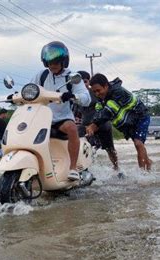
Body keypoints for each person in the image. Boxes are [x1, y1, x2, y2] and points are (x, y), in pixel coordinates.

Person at [32, 41, 90, 181]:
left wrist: (73, 96)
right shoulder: (42, 75)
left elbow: (86, 97)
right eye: (50, 62)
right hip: (42, 119)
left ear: (64, 61)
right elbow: (31, 89)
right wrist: (17, 95)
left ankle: (73, 168)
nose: (53, 65)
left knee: (72, 128)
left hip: (61, 119)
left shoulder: (72, 77)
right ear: (46, 62)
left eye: (57, 62)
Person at [86, 73, 152, 171]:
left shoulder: (118, 92)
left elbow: (108, 111)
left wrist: (93, 125)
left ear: (106, 86)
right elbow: (99, 112)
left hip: (140, 117)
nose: (97, 94)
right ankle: (148, 164)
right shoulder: (101, 98)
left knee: (138, 143)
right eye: (94, 91)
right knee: (139, 145)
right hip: (129, 124)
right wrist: (92, 125)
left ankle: (143, 174)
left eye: (98, 90)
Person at [75, 70, 119, 171]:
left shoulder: (95, 92)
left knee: (110, 149)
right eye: (79, 82)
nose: (83, 84)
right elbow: (74, 111)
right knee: (84, 147)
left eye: (85, 81)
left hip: (102, 125)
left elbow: (107, 106)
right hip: (86, 126)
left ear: (89, 82)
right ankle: (86, 169)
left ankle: (117, 168)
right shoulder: (75, 96)